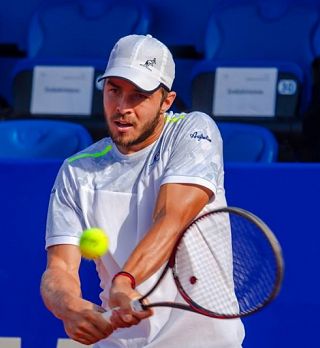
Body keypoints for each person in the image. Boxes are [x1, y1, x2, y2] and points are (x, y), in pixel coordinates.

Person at [40, 34, 245, 347]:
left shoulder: (194, 131)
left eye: (138, 95)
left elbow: (171, 218)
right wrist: (69, 307)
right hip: (119, 340)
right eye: (114, 91)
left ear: (167, 101)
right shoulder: (76, 170)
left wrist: (125, 279)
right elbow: (60, 268)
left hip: (203, 340)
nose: (122, 107)